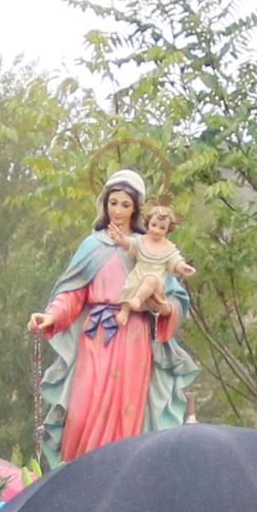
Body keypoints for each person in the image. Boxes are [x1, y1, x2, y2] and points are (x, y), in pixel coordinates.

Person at [30, 168, 195, 464]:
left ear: (136, 210)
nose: (118, 210)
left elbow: (174, 296)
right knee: (80, 414)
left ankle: (119, 479)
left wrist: (164, 308)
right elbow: (73, 293)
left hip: (133, 338)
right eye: (113, 203)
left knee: (127, 412)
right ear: (104, 205)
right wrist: (51, 316)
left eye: (125, 204)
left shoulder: (146, 248)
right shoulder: (92, 245)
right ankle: (78, 477)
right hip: (95, 336)